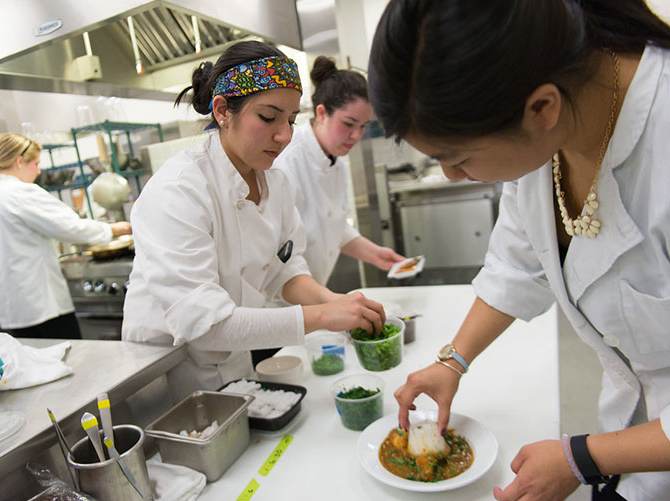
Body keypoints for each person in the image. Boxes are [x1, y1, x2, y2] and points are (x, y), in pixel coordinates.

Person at [368, 1, 670, 500]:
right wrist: (452, 363)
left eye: (458, 158)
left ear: (541, 108)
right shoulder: (549, 125)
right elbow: (518, 261)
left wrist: (581, 458)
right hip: (631, 436)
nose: (450, 175)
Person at [122, 41, 385, 402]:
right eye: (268, 117)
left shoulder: (274, 182)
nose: (285, 135)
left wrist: (335, 301)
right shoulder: (179, 189)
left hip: (234, 365)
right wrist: (323, 316)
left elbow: (284, 270)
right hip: (168, 379)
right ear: (222, 111)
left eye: (291, 120)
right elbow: (206, 326)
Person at [0, 133, 131, 339]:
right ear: (19, 162)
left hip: (10, 311)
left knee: (36, 367)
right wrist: (115, 229)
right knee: (67, 364)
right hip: (42, 306)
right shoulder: (20, 193)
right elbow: (71, 227)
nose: (38, 170)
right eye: (35, 163)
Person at [273, 56, 404, 286]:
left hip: (314, 295)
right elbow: (279, 255)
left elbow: (333, 227)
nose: (357, 135)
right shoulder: (286, 163)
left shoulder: (336, 162)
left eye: (363, 126)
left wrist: (375, 254)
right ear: (322, 113)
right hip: (283, 304)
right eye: (348, 124)